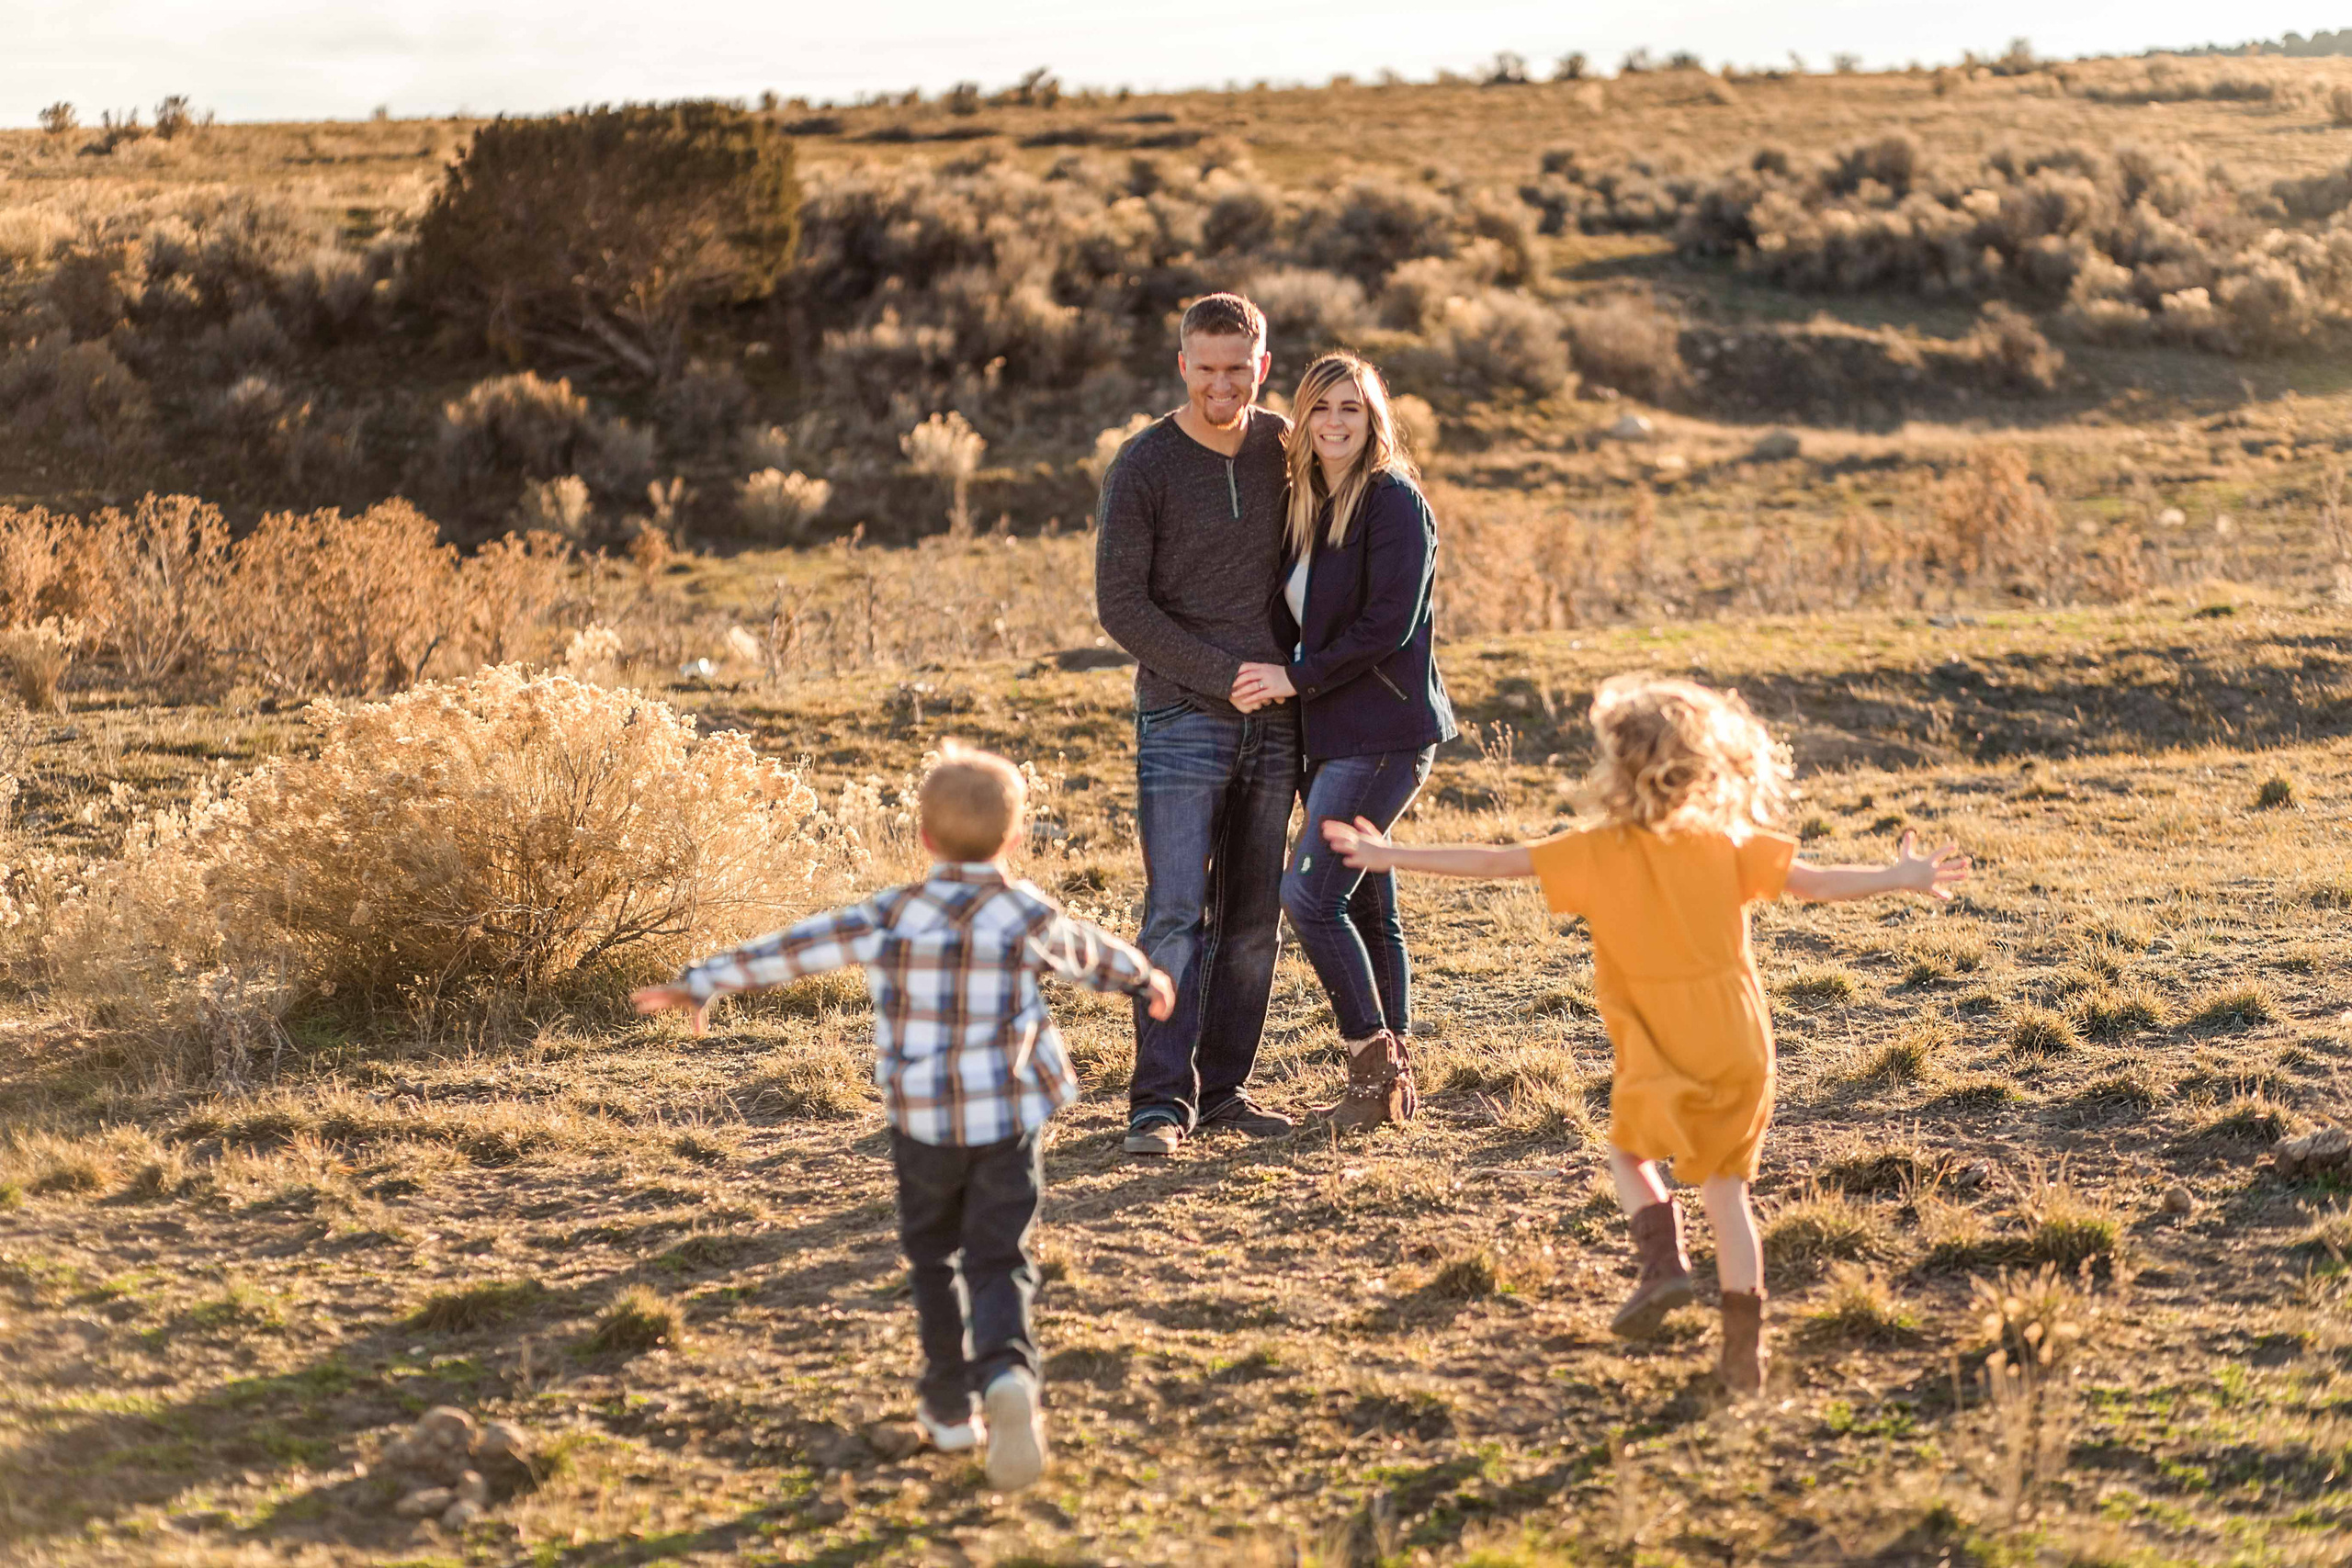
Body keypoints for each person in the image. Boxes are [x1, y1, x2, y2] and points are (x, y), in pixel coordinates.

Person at [1320, 677, 1968, 1394]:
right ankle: (1742, 1356)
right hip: (1735, 1036)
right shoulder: (1726, 841)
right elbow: (1815, 883)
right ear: (1708, 764)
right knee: (1728, 1195)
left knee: (1631, 1155)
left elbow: (1492, 861)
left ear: (1618, 767)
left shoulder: (1596, 849)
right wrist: (1901, 875)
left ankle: (1663, 1266)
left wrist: (1390, 856)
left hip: (1658, 1038)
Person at [631, 745, 1176, 1489]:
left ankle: (951, 1411)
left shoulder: (892, 913)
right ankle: (1008, 1375)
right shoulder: (1024, 912)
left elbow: (799, 948)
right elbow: (1091, 953)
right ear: (1014, 841)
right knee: (999, 1258)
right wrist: (1146, 977)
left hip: (922, 1124)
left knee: (934, 1261)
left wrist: (704, 982)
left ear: (921, 837)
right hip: (1007, 1119)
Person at [1094, 291, 1300, 1157]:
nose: (1223, 385)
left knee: (1253, 918)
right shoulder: (1143, 465)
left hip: (1281, 719)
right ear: (1183, 366)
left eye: (1238, 368)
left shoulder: (1286, 447)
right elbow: (1120, 606)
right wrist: (1224, 677)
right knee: (1176, 913)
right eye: (1205, 368)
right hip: (1183, 715)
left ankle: (1222, 1092)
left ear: (1262, 363)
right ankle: (1157, 1103)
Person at [1230, 351, 1456, 1131]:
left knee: (1309, 894)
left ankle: (1370, 1062)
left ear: (1373, 420)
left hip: (1385, 730)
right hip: (1332, 732)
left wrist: (1295, 679)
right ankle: (1393, 1087)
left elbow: (1385, 625)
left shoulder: (1393, 501)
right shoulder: (1309, 504)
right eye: (1321, 408)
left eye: (1350, 409)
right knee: (1364, 908)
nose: (1333, 422)